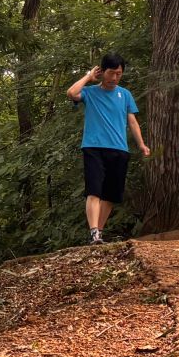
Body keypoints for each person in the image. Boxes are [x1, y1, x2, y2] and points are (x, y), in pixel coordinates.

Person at [65, 54, 152, 244]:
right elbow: (71, 93)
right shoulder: (90, 92)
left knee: (111, 195)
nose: (114, 78)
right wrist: (88, 76)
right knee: (94, 191)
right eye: (111, 73)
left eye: (119, 74)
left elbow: (132, 121)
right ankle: (93, 232)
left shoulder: (125, 94)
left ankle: (99, 234)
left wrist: (141, 144)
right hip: (94, 147)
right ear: (102, 71)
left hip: (119, 149)